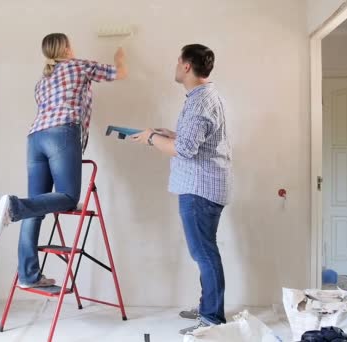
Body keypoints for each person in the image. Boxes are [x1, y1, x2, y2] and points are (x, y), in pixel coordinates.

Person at [0, 33, 128, 289]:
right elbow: (119, 73)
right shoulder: (78, 66)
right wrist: (120, 56)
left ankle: (28, 276)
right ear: (65, 47)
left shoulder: (42, 81)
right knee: (68, 198)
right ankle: (13, 206)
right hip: (61, 134)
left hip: (35, 138)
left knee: (36, 207)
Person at [131, 44, 231, 335]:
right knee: (204, 251)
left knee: (204, 253)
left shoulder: (200, 101)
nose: (175, 65)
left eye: (178, 60)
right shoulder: (204, 96)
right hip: (205, 185)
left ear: (187, 66)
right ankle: (207, 308)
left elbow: (185, 150)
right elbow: (198, 140)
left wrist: (151, 139)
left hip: (200, 188)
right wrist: (168, 134)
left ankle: (212, 319)